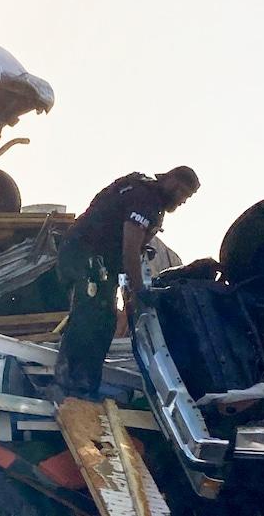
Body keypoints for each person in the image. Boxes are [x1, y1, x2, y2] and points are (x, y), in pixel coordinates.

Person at [52, 166, 201, 399]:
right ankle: (69, 385)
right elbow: (130, 250)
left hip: (97, 261)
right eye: (184, 194)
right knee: (92, 317)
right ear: (172, 182)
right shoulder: (146, 199)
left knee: (105, 320)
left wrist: (127, 292)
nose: (182, 202)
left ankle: (83, 384)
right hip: (86, 256)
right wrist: (139, 291)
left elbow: (124, 259)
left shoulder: (146, 195)